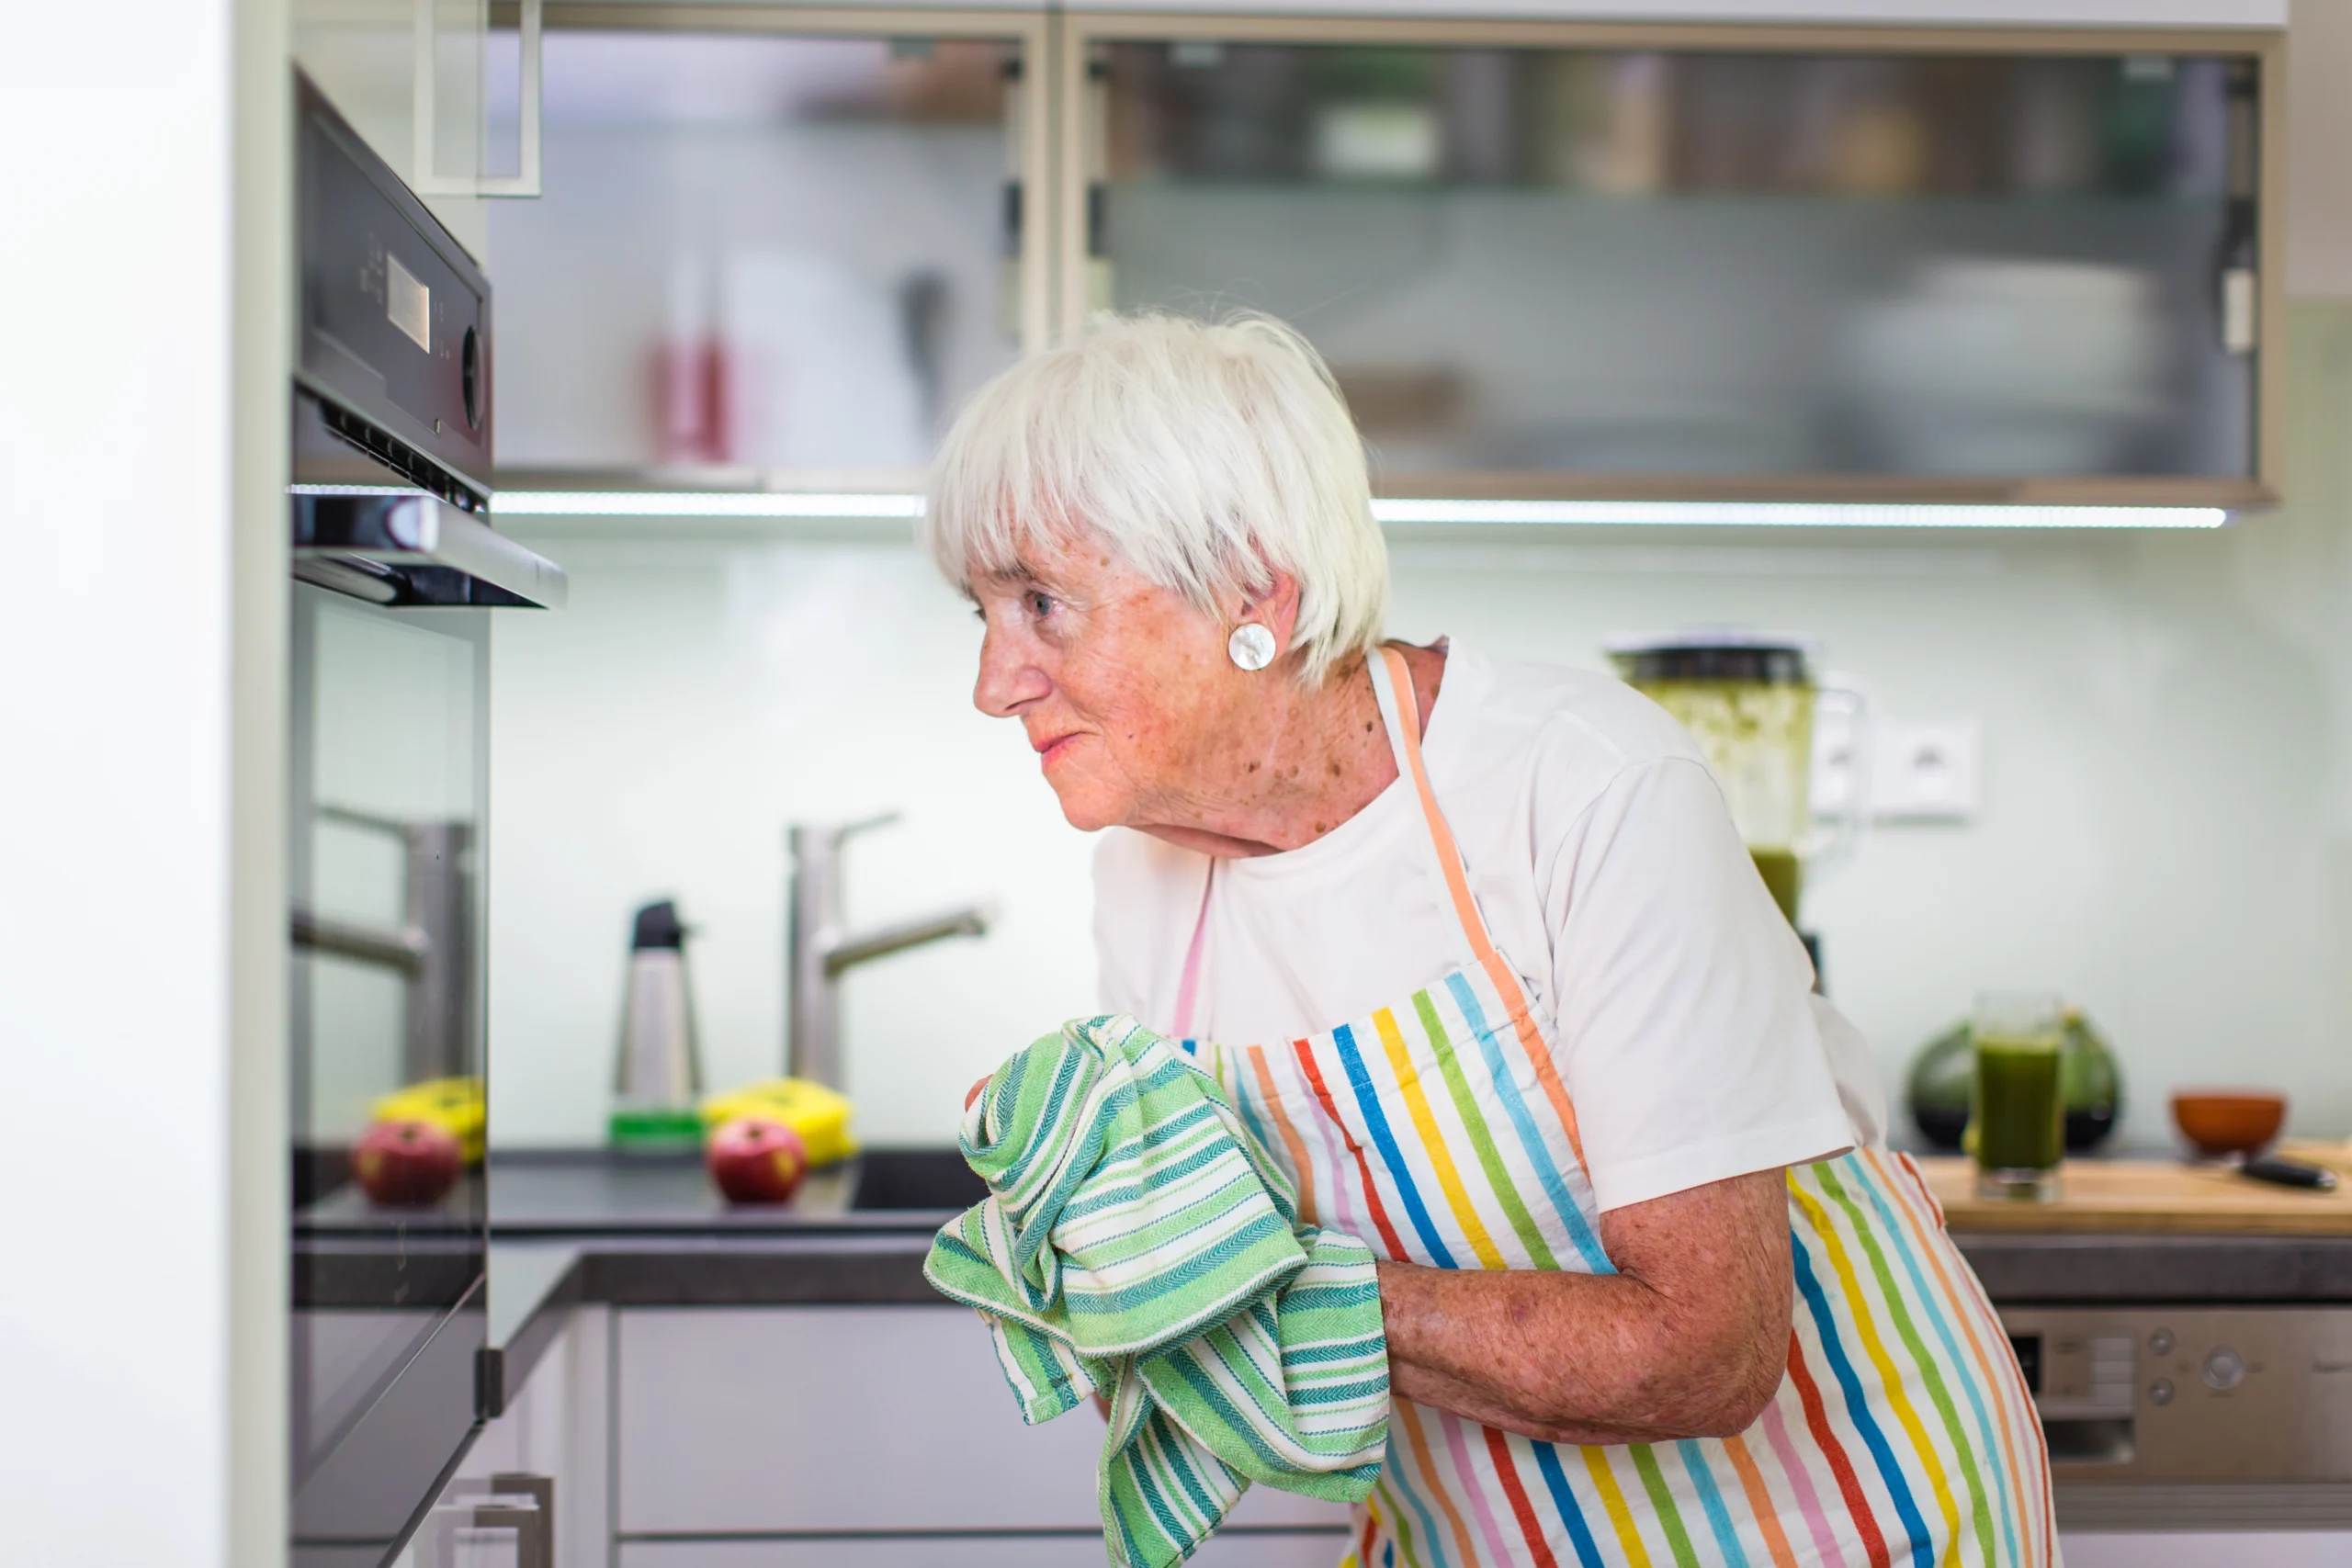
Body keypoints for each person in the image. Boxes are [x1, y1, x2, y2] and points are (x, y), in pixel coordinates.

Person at [925, 312, 2053, 1568]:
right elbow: (1197, 1354)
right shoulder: (1145, 878)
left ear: (1252, 589)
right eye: (983, 611)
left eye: (1041, 603)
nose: (994, 680)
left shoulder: (1580, 787)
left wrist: (1254, 1291)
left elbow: (1709, 1347)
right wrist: (1115, 1262)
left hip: (1839, 1522)